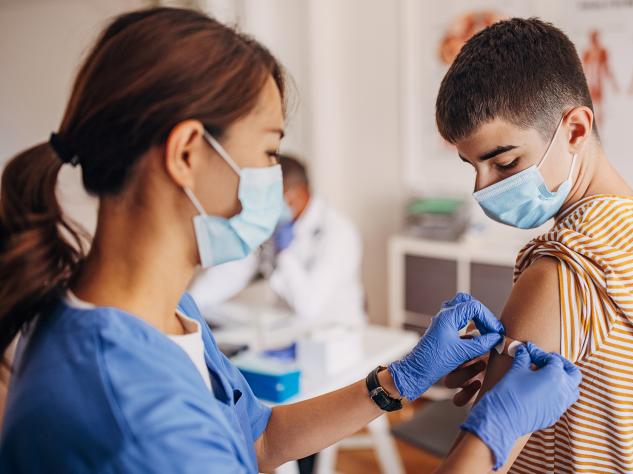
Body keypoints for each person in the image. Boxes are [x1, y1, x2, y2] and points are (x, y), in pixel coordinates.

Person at [0, 8, 581, 473]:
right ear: (186, 155)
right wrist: (491, 434)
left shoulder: (172, 313)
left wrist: (399, 379)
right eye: (270, 149)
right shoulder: (132, 416)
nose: (276, 179)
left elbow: (260, 441)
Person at [437, 18, 633, 473]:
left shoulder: (564, 268)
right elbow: (631, 387)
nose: (482, 188)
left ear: (576, 130)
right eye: (472, 166)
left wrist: (496, 414)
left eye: (504, 162)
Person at [188, 153, 366, 327]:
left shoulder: (339, 232)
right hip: (289, 331)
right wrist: (189, 301)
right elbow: (235, 271)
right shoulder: (278, 226)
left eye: (272, 196)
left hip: (337, 335)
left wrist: (285, 254)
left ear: (297, 193)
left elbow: (308, 305)